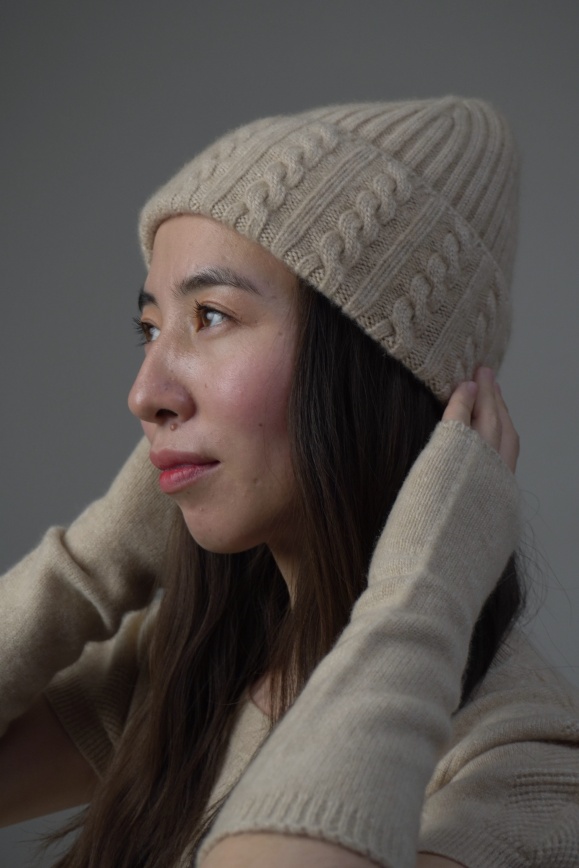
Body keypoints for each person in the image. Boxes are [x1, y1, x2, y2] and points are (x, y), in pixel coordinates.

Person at [1, 97, 578, 868]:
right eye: (150, 328)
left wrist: (423, 594)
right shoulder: (190, 670)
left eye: (210, 316)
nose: (144, 394)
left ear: (369, 365)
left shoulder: (521, 767)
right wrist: (101, 555)